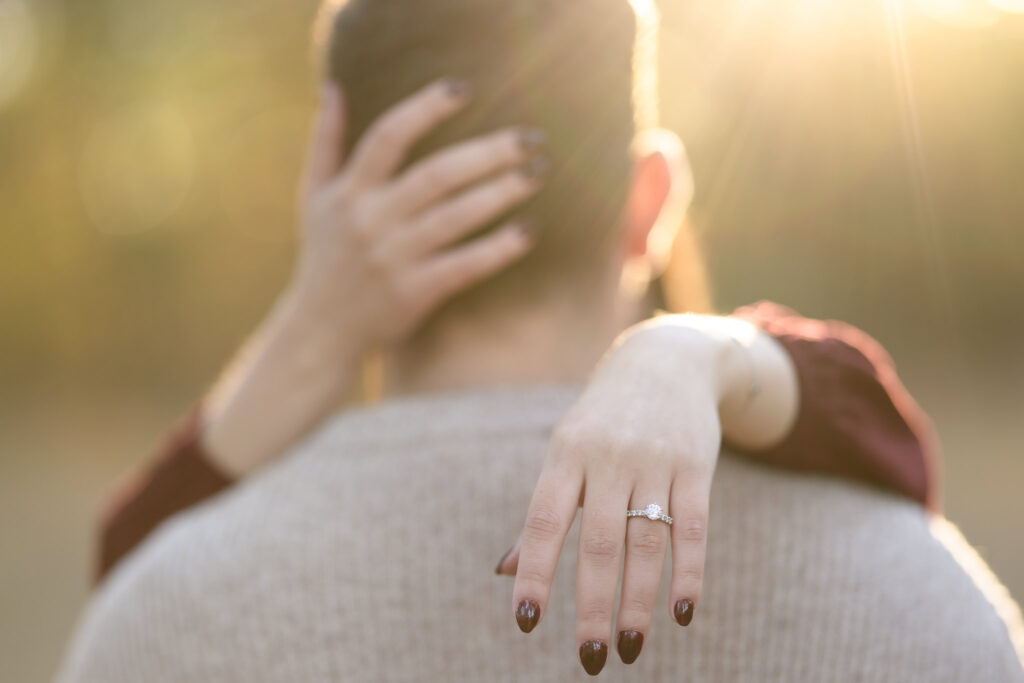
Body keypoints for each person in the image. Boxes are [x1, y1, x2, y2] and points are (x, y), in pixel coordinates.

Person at [59, 0, 1023, 680]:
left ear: (330, 195)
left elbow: (125, 573)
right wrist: (702, 348)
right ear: (651, 203)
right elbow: (900, 453)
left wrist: (314, 318)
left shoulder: (160, 612)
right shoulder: (933, 599)